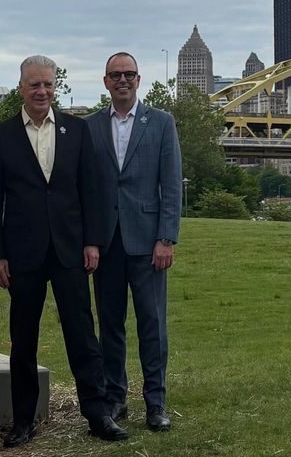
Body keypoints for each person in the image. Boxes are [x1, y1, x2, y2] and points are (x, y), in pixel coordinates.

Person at [0, 55, 125, 446]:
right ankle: (23, 421)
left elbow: (91, 191)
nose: (42, 91)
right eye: (34, 85)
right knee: (22, 339)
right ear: (21, 89)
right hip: (22, 254)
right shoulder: (1, 135)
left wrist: (93, 241)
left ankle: (98, 414)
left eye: (48, 84)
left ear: (55, 86)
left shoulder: (76, 131)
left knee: (83, 335)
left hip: (70, 251)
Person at [86, 53, 181, 432]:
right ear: (105, 82)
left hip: (148, 243)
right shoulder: (90, 126)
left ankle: (155, 403)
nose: (122, 80)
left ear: (139, 79)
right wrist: (89, 240)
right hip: (106, 243)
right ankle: (115, 397)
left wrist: (166, 238)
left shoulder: (161, 123)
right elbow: (86, 189)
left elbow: (171, 185)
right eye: (115, 75)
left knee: (152, 324)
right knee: (110, 324)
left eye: (128, 74)